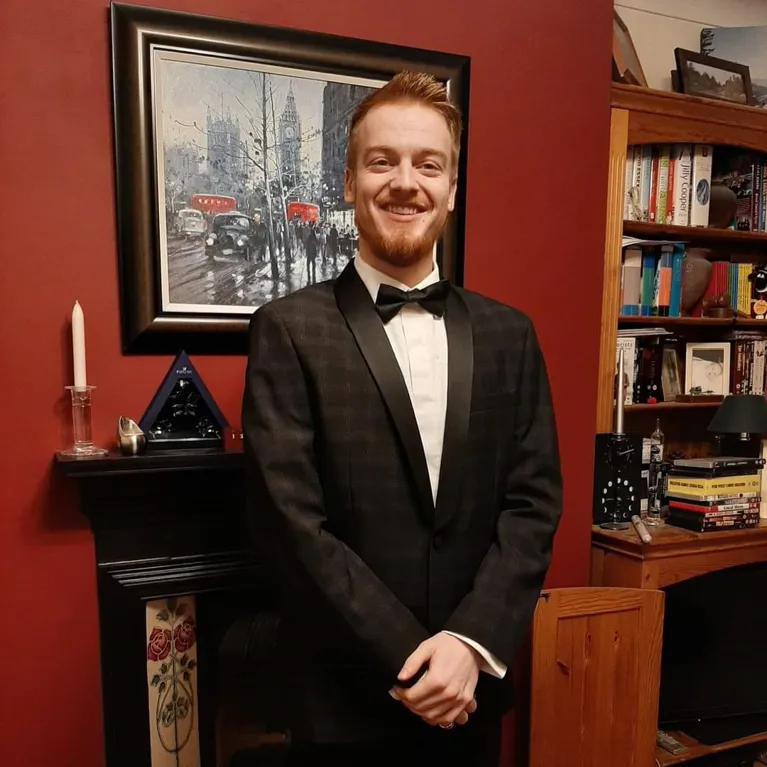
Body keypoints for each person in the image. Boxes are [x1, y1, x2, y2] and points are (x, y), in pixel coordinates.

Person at [241, 71, 563, 767]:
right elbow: (291, 523)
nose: (405, 183)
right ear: (349, 181)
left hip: (470, 696)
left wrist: (469, 645)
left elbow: (533, 504)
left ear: (453, 187)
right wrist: (409, 656)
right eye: (382, 161)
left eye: (429, 164)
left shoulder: (511, 334)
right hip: (344, 702)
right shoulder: (287, 330)